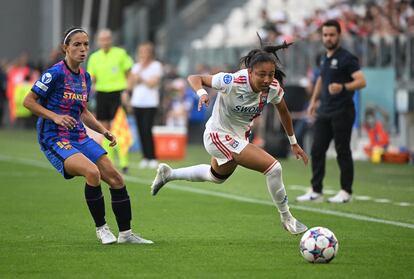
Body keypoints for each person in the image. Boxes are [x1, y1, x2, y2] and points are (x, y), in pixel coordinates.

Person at [150, 40, 309, 235]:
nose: (267, 79)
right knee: (274, 168)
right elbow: (195, 77)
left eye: (270, 74)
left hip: (238, 137)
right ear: (249, 72)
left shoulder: (273, 87)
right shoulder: (232, 81)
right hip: (217, 135)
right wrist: (201, 93)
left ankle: (169, 175)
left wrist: (294, 143)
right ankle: (287, 218)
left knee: (215, 177)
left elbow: (283, 111)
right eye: (261, 74)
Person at [23, 27, 153, 245]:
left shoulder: (85, 77)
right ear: (65, 48)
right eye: (77, 44)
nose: (82, 49)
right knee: (92, 172)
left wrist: (103, 131)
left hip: (79, 136)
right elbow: (28, 101)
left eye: (85, 44)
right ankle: (102, 229)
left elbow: (82, 111)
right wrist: (55, 117)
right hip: (55, 138)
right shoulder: (53, 73)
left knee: (116, 178)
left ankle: (126, 234)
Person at [296, 20, 366, 203]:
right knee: (317, 149)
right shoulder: (323, 57)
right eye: (325, 35)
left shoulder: (347, 58)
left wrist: (343, 86)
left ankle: (346, 192)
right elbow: (321, 79)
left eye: (332, 35)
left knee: (342, 151)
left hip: (342, 110)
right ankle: (316, 190)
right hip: (325, 110)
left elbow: (361, 81)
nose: (328, 38)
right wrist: (313, 101)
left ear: (339, 36)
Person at [87, 29, 133, 174]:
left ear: (111, 39)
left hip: (117, 93)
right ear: (98, 41)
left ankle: (124, 162)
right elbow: (92, 78)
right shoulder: (94, 57)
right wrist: (87, 91)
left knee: (120, 127)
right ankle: (110, 162)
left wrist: (127, 91)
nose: (105, 41)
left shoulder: (120, 53)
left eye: (107, 38)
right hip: (101, 94)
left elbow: (129, 74)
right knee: (104, 128)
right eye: (102, 39)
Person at [126, 42, 163, 169]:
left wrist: (140, 78)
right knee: (141, 130)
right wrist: (138, 76)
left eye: (146, 51)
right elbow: (130, 85)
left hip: (150, 103)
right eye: (141, 52)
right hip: (137, 102)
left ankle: (152, 157)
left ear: (151, 53)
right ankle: (145, 157)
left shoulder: (156, 66)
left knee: (147, 129)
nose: (143, 54)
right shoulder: (136, 67)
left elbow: (152, 83)